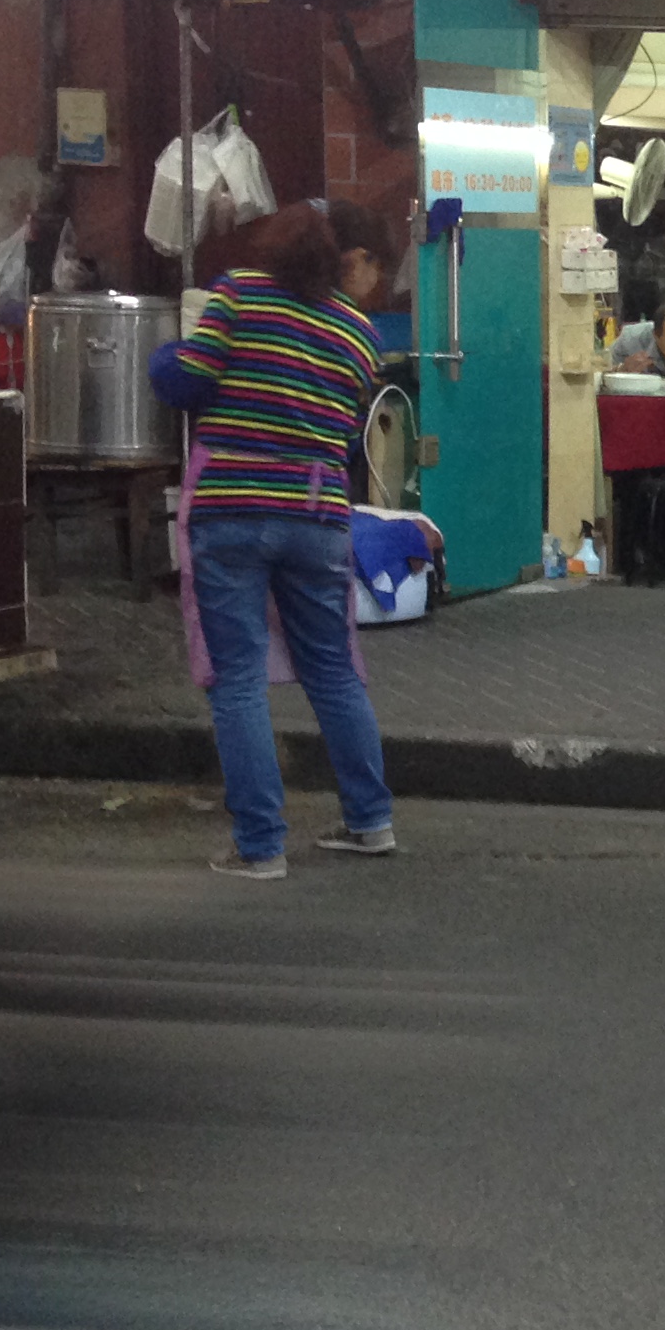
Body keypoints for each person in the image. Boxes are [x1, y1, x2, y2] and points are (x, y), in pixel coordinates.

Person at [151, 203, 400, 879]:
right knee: (333, 671)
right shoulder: (358, 331)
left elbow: (186, 380)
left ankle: (260, 847)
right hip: (317, 517)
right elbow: (346, 429)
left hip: (231, 511)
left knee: (237, 678)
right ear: (342, 259)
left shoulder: (239, 293)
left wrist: (163, 355)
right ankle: (370, 821)